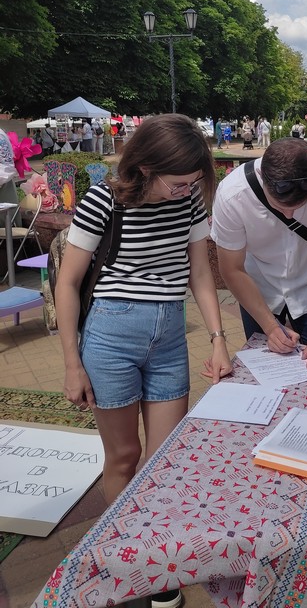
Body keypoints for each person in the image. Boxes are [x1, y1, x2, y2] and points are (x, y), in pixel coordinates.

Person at [55, 114, 233, 608]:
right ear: (147, 168)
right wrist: (72, 364)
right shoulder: (103, 201)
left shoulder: (189, 201)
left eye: (194, 182)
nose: (186, 190)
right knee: (123, 457)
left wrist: (218, 339)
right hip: (111, 336)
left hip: (170, 338)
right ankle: (130, 558)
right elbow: (68, 283)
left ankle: (157, 563)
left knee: (164, 461)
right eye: (178, 182)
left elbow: (200, 272)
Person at [211, 137, 307, 371]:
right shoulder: (232, 194)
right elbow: (231, 268)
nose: (290, 216)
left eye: (299, 206)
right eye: (280, 207)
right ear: (262, 178)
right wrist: (270, 327)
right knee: (266, 372)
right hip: (259, 289)